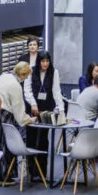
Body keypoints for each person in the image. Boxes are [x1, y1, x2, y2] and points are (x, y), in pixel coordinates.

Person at [23, 51, 64, 180]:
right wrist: (33, 104)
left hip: (47, 110)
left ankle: (42, 173)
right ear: (38, 61)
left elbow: (56, 92)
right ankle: (31, 172)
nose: (45, 64)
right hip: (33, 110)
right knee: (31, 139)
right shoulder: (31, 71)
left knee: (43, 140)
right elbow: (27, 90)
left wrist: (61, 109)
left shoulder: (54, 72)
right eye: (42, 61)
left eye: (47, 61)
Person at [0, 62, 36, 180]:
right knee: (5, 146)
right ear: (23, 74)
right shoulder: (16, 86)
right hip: (4, 115)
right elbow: (19, 112)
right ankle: (5, 175)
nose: (26, 79)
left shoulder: (3, 76)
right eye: (26, 76)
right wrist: (29, 120)